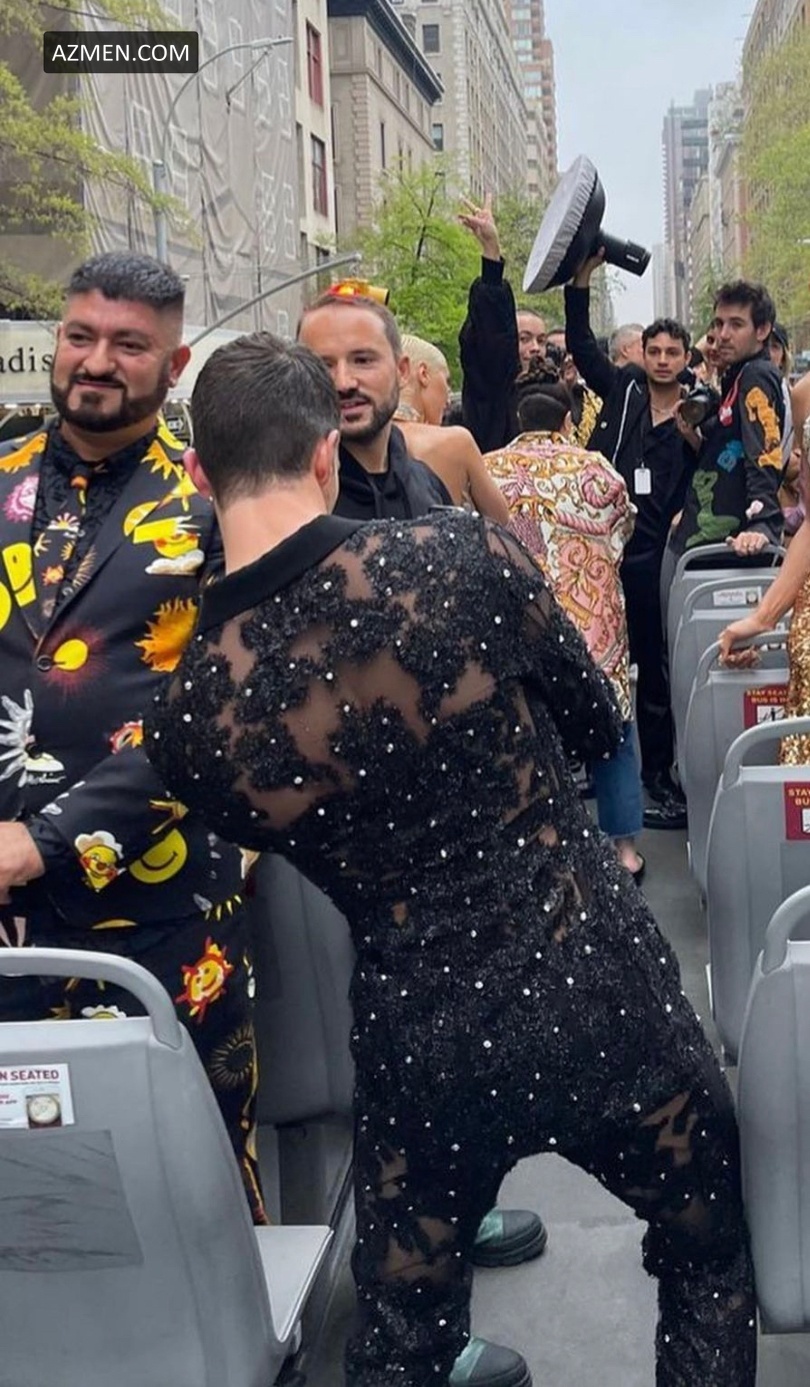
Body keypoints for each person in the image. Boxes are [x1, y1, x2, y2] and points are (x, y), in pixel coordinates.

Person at [146, 331, 756, 1387]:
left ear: (198, 473)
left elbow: (287, 836)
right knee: (706, 1255)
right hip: (599, 988)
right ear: (325, 455)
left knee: (404, 1341)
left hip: (421, 1043)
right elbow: (595, 720)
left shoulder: (190, 713)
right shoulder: (459, 557)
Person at [297, 293, 546, 1387]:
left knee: (464, 1045)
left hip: (455, 821)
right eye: (326, 364)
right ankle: (408, 1327)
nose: (347, 380)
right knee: (384, 1063)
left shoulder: (429, 470)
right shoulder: (288, 497)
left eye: (365, 359)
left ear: (401, 370)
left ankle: (461, 1211)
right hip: (345, 831)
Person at [0, 251, 265, 1222]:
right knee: (30, 1199)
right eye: (81, 336)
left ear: (175, 362)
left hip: (163, 911)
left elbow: (223, 711)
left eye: (128, 344)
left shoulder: (216, 503)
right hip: (6, 923)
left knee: (191, 1188)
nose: (97, 361)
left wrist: (44, 837)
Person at [484, 379, 645, 880]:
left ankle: (539, 850)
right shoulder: (596, 468)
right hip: (592, 618)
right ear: (567, 422)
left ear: (519, 421)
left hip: (520, 621)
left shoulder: (489, 467)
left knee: (524, 732)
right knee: (614, 729)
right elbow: (622, 530)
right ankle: (623, 850)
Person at [565, 252, 695, 829]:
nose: (662, 360)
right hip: (604, 546)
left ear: (685, 359)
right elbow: (580, 343)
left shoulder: (700, 408)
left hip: (657, 554)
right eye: (654, 351)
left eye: (672, 352)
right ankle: (590, 765)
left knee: (655, 669)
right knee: (590, 656)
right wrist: (582, 278)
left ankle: (657, 776)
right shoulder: (623, 390)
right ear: (642, 353)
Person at [668, 281, 784, 561]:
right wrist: (695, 439)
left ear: (762, 330)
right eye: (719, 324)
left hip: (726, 549)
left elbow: (764, 453)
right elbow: (732, 452)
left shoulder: (756, 375)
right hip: (703, 536)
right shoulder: (739, 374)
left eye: (736, 324)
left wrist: (762, 523)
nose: (723, 335)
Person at [394, 333, 510, 524]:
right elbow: (501, 520)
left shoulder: (352, 442)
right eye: (446, 381)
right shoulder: (455, 442)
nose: (448, 398)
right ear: (423, 374)